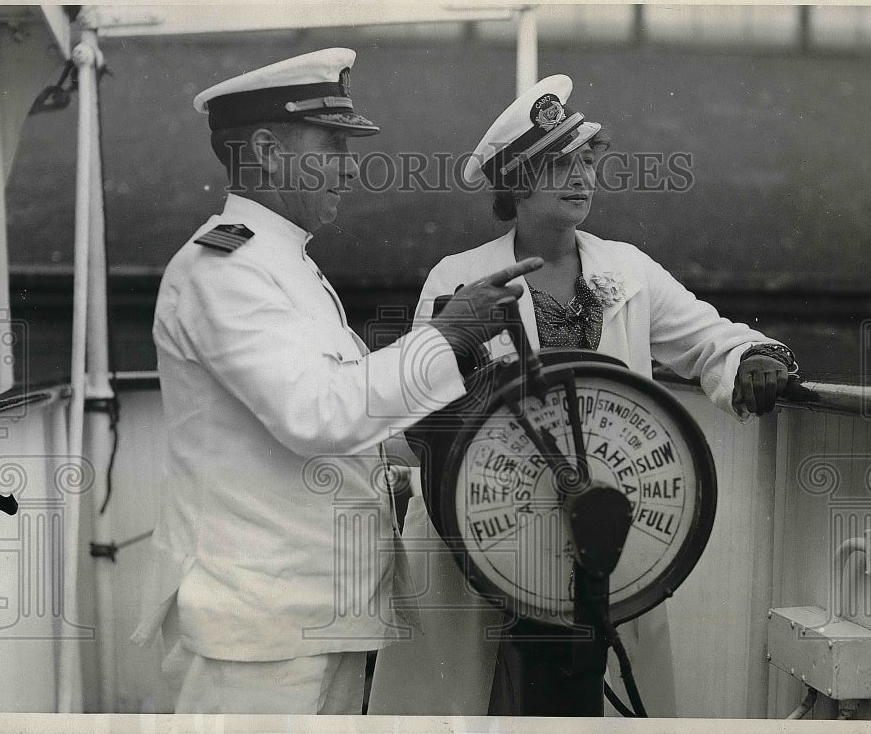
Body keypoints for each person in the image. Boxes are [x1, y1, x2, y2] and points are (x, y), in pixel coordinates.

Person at [129, 48, 543, 715]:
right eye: (332, 147)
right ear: (265, 148)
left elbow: (353, 430)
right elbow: (317, 417)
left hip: (314, 615)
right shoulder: (226, 270)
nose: (350, 169)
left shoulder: (284, 266)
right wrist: (445, 338)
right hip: (259, 632)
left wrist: (458, 376)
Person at [369, 75, 798, 716]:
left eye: (585, 161)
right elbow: (413, 416)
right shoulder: (458, 278)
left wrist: (753, 358)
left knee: (604, 697)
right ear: (515, 183)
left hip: (599, 523)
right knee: (475, 697)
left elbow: (710, 339)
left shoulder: (628, 270)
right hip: (490, 531)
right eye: (557, 165)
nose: (581, 177)